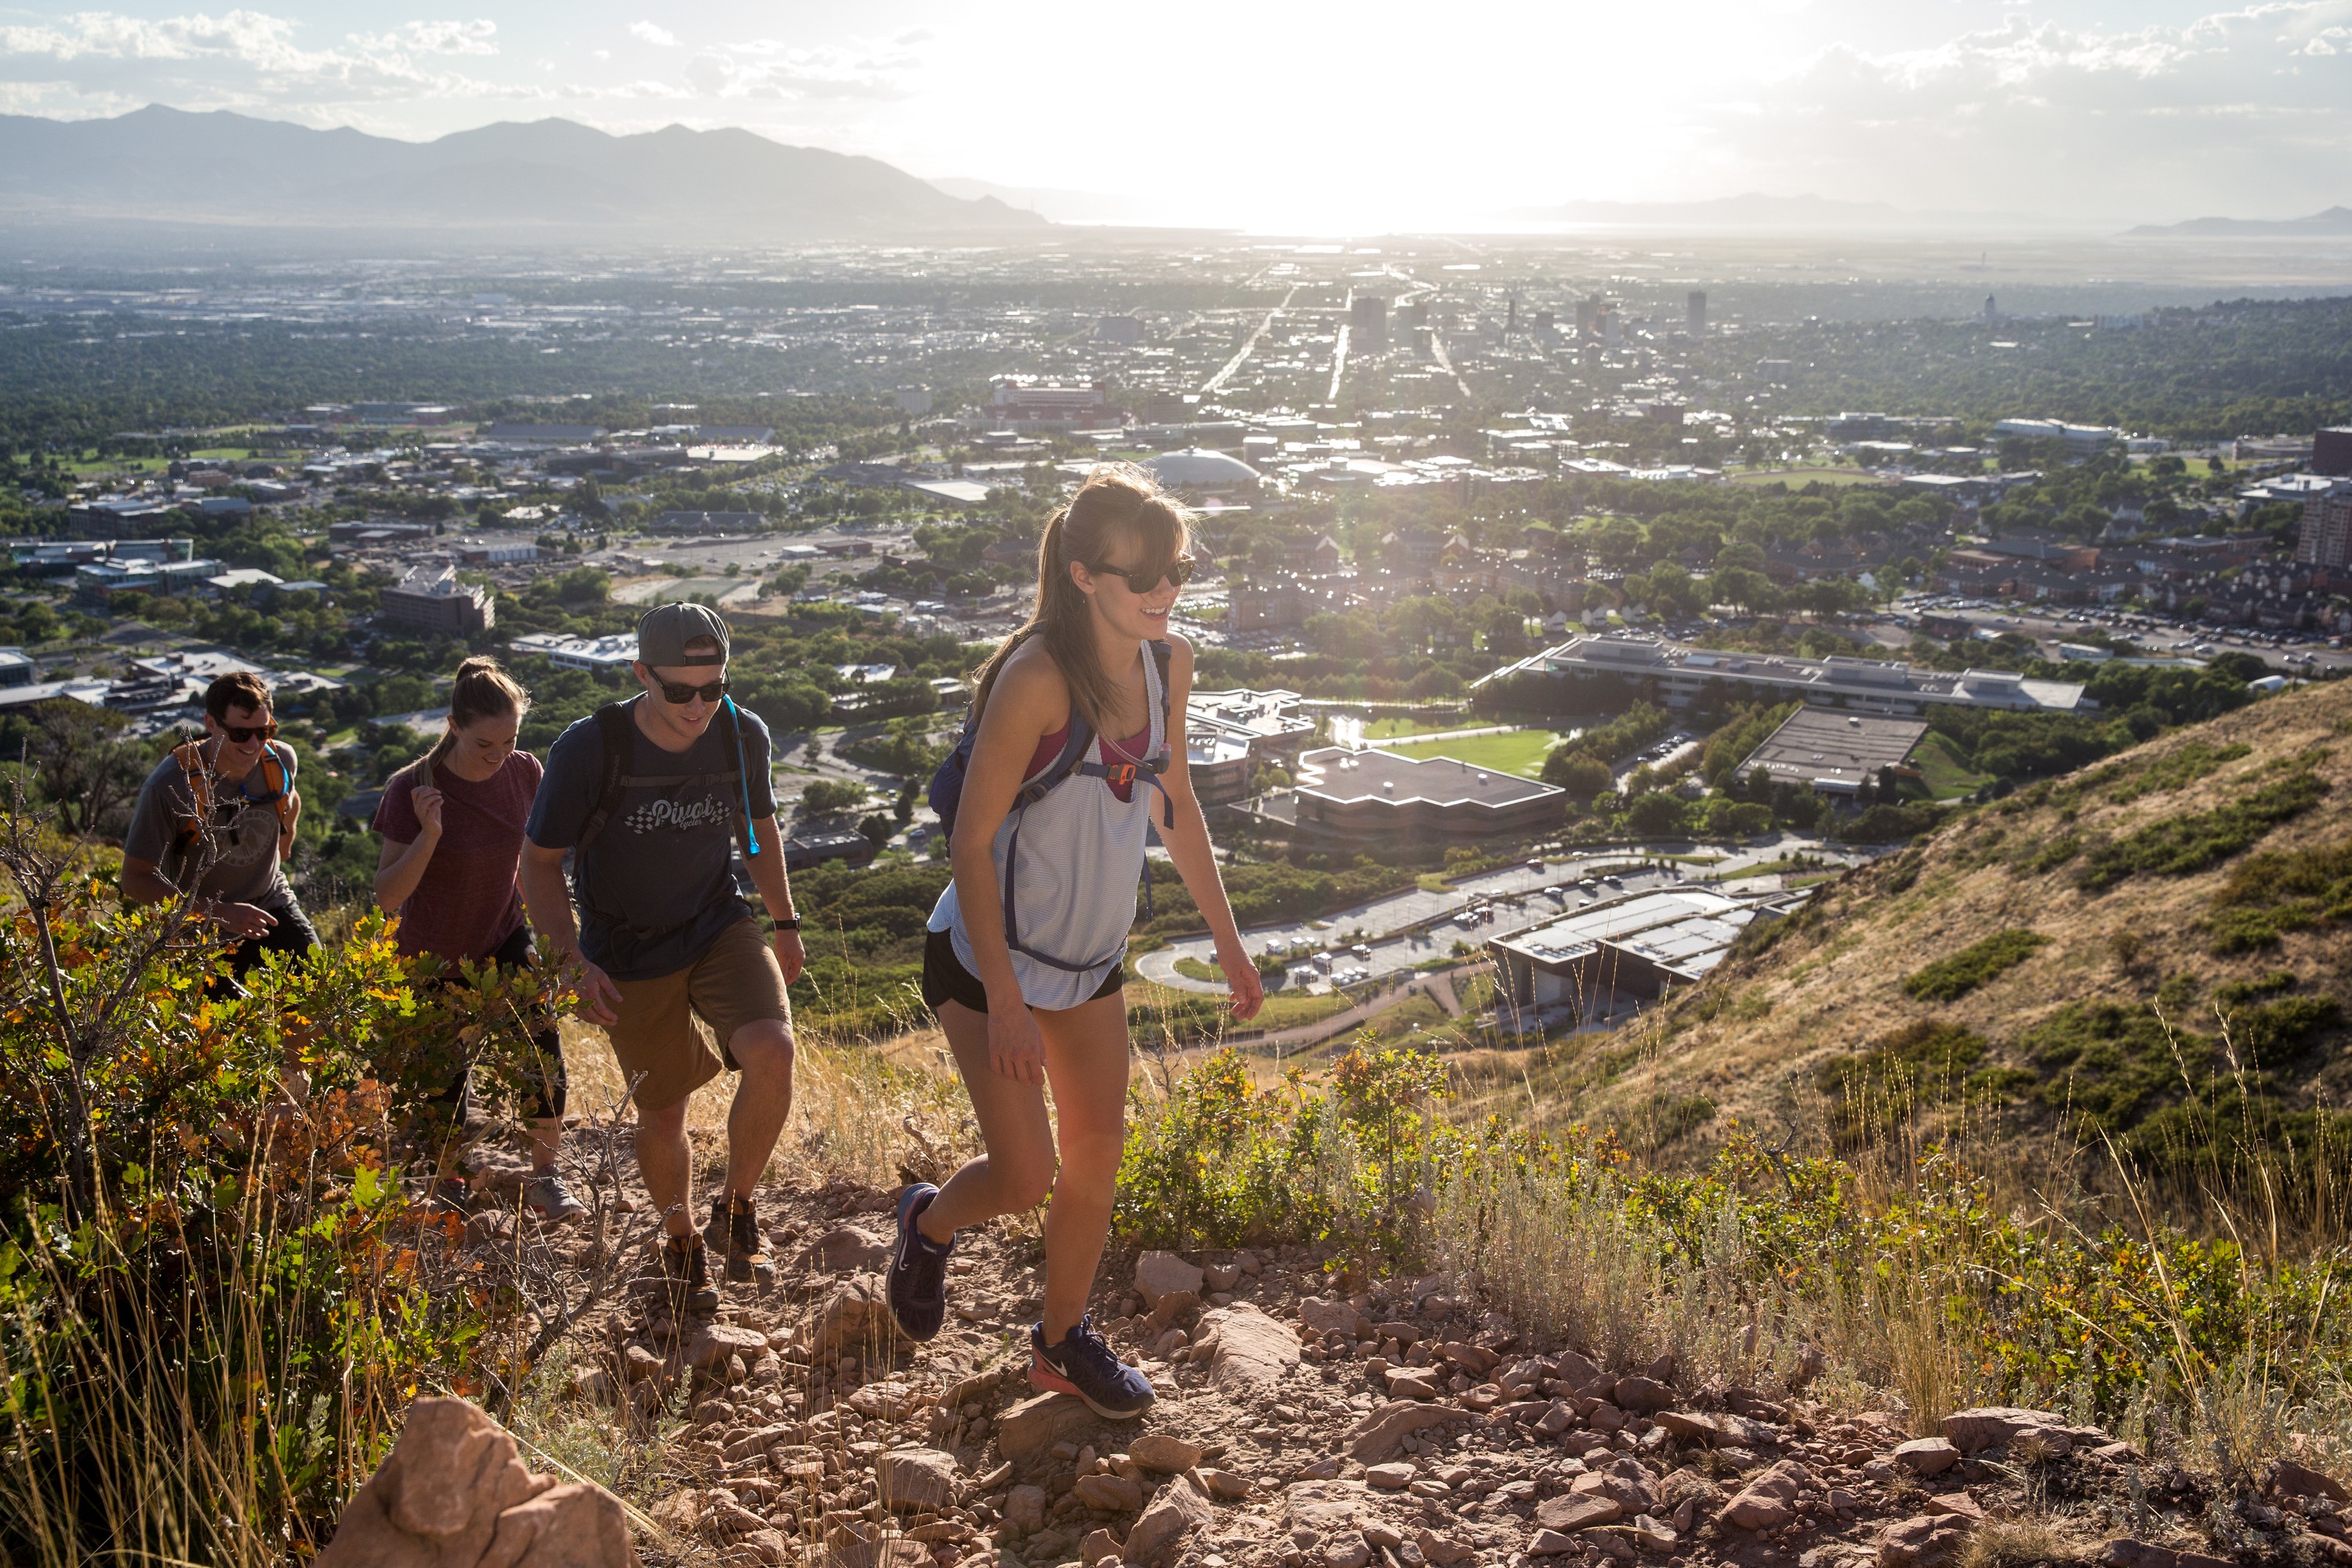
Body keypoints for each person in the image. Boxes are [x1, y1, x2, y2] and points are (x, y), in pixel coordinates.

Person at [886, 466, 1262, 1421]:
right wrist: (1006, 997)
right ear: (1087, 574)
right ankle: (926, 1226)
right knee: (1023, 1177)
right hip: (984, 962)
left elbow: (1176, 813)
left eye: (1176, 569)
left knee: (1097, 1158)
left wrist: (1229, 944)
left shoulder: (1167, 663)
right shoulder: (1037, 679)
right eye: (1143, 576)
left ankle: (1060, 1341)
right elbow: (969, 841)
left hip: (1087, 966)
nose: (1164, 592)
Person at [518, 604, 804, 1313]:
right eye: (681, 691)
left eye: (714, 688)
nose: (700, 706)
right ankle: (679, 1239)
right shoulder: (591, 749)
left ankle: (737, 1208)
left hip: (715, 921)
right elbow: (539, 863)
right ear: (642, 675)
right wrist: (569, 960)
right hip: (629, 949)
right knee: (664, 1109)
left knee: (773, 1050)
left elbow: (759, 829)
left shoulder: (742, 733)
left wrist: (786, 921)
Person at [372, 656, 585, 1223]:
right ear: (454, 726)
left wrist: (555, 942)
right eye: (485, 744)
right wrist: (431, 835)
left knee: (542, 1053)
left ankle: (546, 1177)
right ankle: (448, 1186)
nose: (498, 756)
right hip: (431, 957)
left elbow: (531, 863)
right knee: (445, 1083)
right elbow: (387, 897)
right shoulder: (410, 789)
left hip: (503, 936)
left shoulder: (525, 771)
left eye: (510, 739)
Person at [122, 670, 316, 981]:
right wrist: (218, 912)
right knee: (218, 1024)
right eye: (240, 733)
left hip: (269, 901)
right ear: (211, 724)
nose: (254, 744)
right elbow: (134, 879)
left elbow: (290, 799)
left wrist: (287, 838)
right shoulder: (171, 787)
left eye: (264, 731)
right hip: (200, 923)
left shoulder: (279, 761)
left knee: (320, 998)